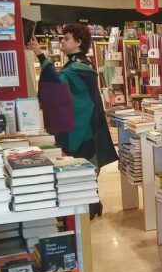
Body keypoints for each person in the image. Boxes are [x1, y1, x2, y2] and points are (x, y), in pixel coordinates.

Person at [27, 24, 117, 219]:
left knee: (82, 163)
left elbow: (58, 84)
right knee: (84, 163)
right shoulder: (77, 64)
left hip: (83, 126)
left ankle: (90, 204)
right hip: (86, 124)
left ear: (78, 42)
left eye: (67, 38)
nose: (62, 42)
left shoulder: (80, 68)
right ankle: (92, 202)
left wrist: (41, 55)